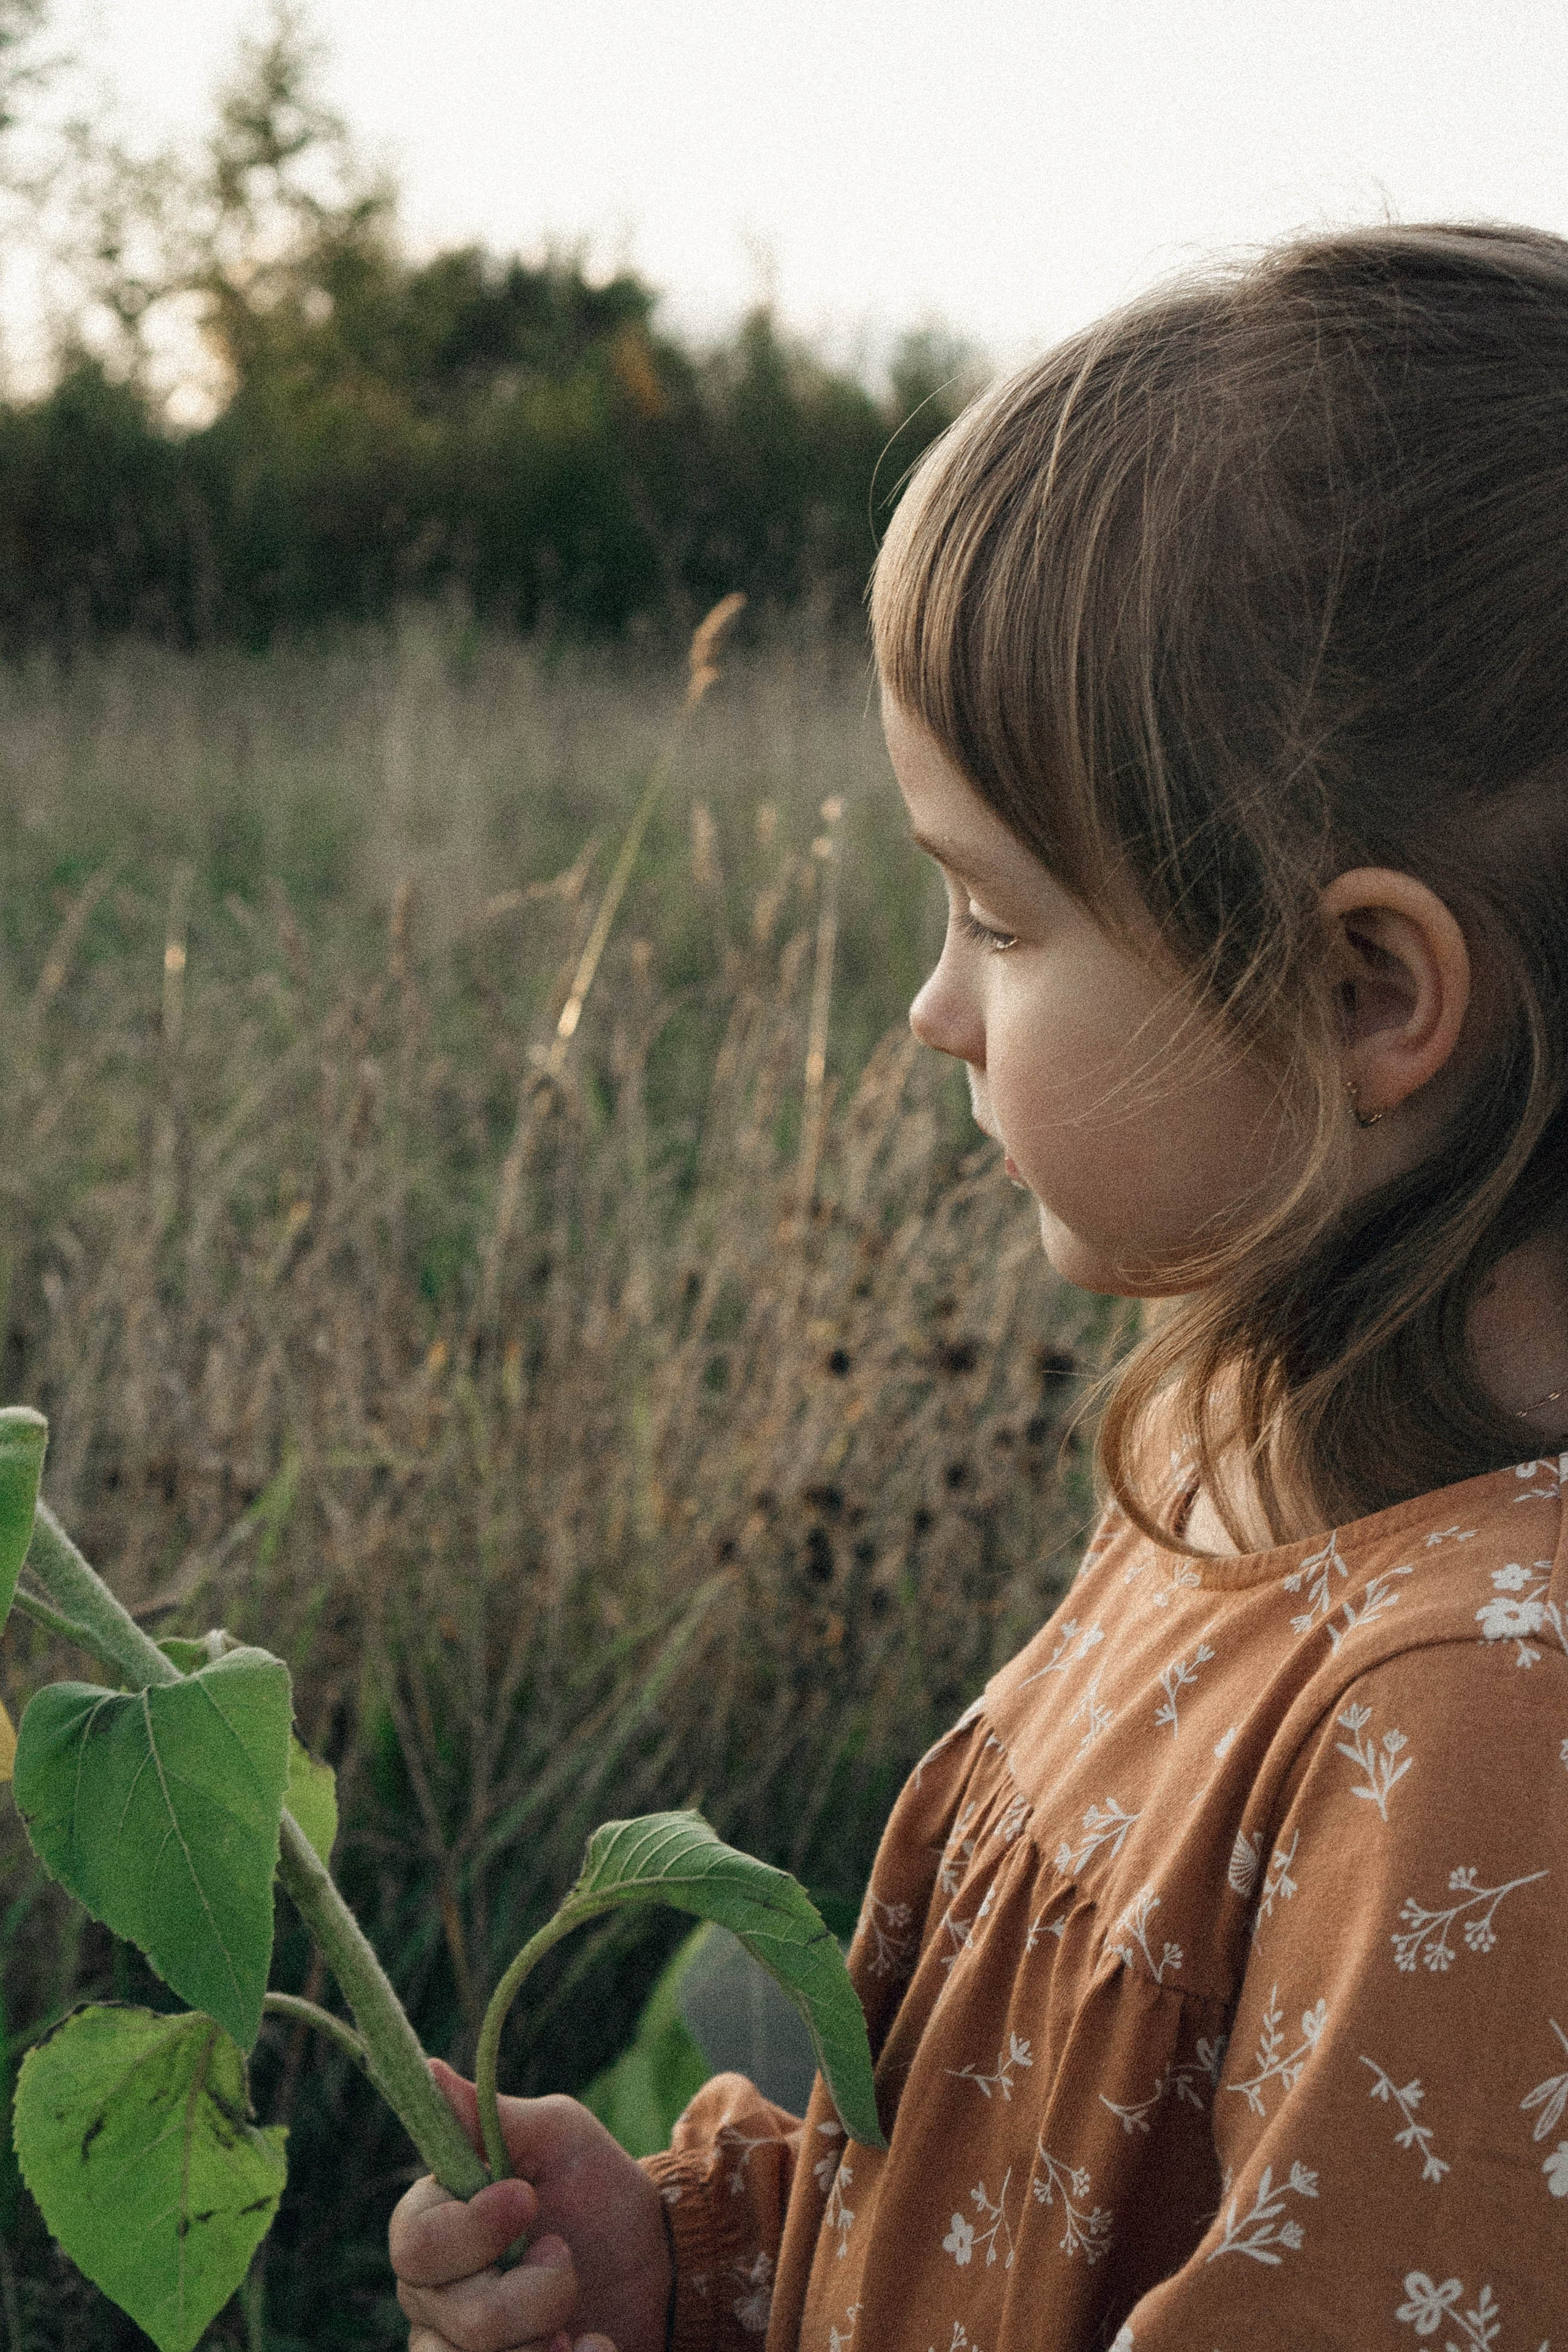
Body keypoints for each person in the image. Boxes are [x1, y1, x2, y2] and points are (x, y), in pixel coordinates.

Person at [389, 222, 1568, 2352]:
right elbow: (1024, 2127)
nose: (935, 1012)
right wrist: (718, 2259)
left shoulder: (1488, 1716)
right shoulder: (1237, 1451)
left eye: (998, 920)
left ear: (1358, 989)